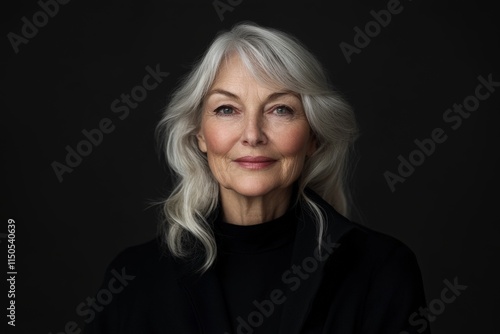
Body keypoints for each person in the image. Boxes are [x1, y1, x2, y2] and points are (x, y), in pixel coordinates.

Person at [84, 22, 430, 334]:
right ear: (200, 135)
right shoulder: (134, 279)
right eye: (226, 109)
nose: (252, 134)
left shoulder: (380, 270)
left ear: (313, 135)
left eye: (280, 109)